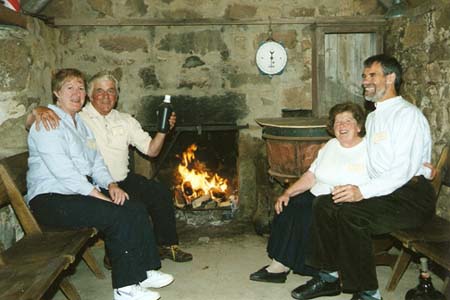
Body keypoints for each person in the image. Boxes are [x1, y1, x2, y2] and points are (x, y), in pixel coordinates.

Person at [291, 54, 435, 300]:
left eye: (372, 75)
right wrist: (332, 149)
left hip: (410, 197)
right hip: (386, 192)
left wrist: (362, 192)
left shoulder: (406, 115)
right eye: (364, 76)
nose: (365, 81)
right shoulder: (375, 116)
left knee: (351, 214)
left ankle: (368, 292)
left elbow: (402, 171)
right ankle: (329, 277)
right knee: (325, 202)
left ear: (390, 78)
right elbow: (367, 155)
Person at [27, 68, 174, 300]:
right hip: (51, 200)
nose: (76, 93)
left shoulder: (80, 125)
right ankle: (125, 288)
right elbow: (65, 174)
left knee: (134, 206)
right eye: (69, 88)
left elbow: (96, 163)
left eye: (80, 88)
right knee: (117, 214)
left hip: (75, 194)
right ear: (56, 92)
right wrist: (98, 194)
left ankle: (145, 271)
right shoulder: (48, 123)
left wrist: (111, 185)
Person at [250, 102, 369, 285]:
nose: (342, 126)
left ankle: (316, 270)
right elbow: (311, 174)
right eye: (337, 122)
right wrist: (287, 192)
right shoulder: (330, 145)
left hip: (342, 201)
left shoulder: (368, 150)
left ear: (359, 126)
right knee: (288, 206)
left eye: (348, 121)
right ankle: (280, 264)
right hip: (316, 194)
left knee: (306, 216)